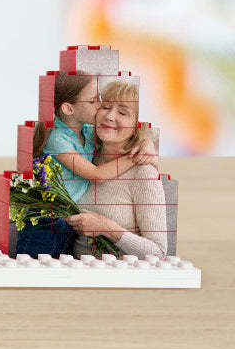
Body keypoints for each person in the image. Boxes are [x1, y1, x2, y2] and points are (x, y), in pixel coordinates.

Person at [16, 73, 155, 257]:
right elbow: (96, 174)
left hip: (68, 222)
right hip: (46, 221)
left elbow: (128, 134)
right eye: (93, 102)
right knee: (36, 268)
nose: (100, 106)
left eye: (99, 99)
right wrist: (134, 156)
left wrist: (147, 144)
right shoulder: (57, 139)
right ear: (68, 109)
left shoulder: (88, 132)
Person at [66, 80, 168, 258]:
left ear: (138, 125)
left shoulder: (143, 173)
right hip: (76, 273)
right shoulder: (86, 158)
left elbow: (158, 252)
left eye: (122, 112)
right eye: (105, 107)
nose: (110, 116)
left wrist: (106, 227)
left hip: (118, 278)